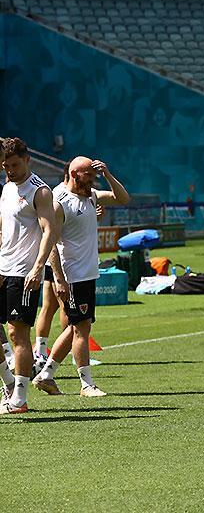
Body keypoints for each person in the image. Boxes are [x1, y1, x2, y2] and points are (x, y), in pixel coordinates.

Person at [33, 157, 130, 397]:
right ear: (75, 174)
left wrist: (107, 174)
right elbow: (51, 243)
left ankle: (46, 375)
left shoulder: (90, 196)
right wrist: (59, 278)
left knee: (79, 326)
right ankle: (86, 384)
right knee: (81, 328)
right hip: (72, 274)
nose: (93, 180)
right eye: (90, 175)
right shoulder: (60, 202)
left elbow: (123, 198)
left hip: (87, 273)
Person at [0, 137, 59, 414]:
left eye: (15, 165)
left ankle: (20, 399)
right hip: (3, 267)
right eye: (6, 166)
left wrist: (38, 267)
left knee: (17, 333)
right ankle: (9, 382)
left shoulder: (40, 191)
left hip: (24, 272)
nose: (10, 170)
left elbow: (50, 231)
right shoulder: (7, 188)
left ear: (27, 160)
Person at [35, 161, 72, 364]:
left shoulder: (58, 193)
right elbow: (53, 230)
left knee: (48, 308)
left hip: (53, 258)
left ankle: (40, 352)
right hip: (60, 259)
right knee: (66, 307)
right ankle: (71, 351)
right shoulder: (59, 194)